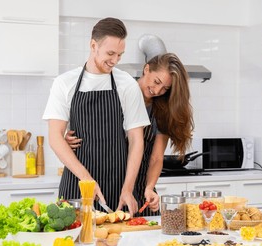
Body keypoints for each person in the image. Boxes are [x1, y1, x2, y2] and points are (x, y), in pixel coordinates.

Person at [42, 17, 150, 217]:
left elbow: (136, 140)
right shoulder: (64, 83)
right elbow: (55, 137)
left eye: (120, 54)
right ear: (93, 45)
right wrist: (86, 180)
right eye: (110, 53)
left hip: (118, 188)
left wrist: (128, 188)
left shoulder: (127, 84)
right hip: (77, 185)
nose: (115, 60)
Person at [67, 53, 194, 216]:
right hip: (103, 185)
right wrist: (67, 138)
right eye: (156, 82)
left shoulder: (162, 112)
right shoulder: (116, 92)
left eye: (165, 89)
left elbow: (156, 158)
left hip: (139, 191)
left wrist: (149, 187)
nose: (157, 91)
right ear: (146, 69)